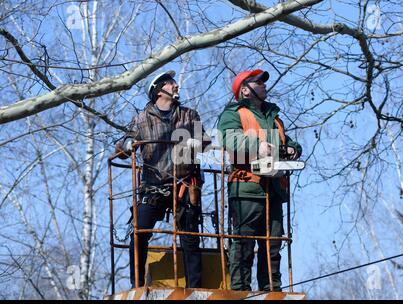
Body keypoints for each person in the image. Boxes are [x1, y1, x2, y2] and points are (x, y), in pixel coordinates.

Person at [115, 70, 210, 288]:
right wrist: (128, 146)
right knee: (139, 234)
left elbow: (204, 140)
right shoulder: (141, 120)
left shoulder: (189, 115)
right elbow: (123, 144)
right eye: (171, 83)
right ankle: (137, 285)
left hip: (185, 183)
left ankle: (195, 288)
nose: (176, 86)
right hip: (153, 186)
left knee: (189, 236)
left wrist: (196, 142)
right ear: (159, 91)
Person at [217, 69, 302, 291]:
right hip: (247, 189)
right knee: (243, 243)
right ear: (245, 90)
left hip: (273, 190)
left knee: (273, 245)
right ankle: (239, 292)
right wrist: (258, 146)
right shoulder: (232, 114)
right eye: (258, 82)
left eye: (263, 82)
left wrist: (292, 149)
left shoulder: (274, 118)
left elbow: (289, 141)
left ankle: (271, 291)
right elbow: (230, 140)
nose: (264, 85)